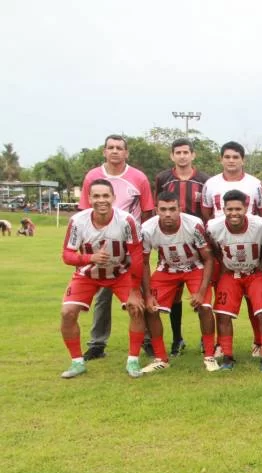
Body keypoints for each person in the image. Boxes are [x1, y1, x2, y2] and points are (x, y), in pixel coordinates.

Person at [76, 135, 154, 361]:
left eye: (119, 148)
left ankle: (146, 341)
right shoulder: (93, 176)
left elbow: (147, 211)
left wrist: (138, 239)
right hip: (100, 246)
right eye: (110, 147)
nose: (115, 151)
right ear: (104, 151)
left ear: (127, 153)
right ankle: (97, 344)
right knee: (102, 295)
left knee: (137, 293)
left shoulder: (138, 177)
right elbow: (83, 211)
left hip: (130, 246)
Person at [59, 179, 146, 379]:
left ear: (113, 198)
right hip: (88, 274)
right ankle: (77, 362)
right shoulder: (78, 221)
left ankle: (133, 360)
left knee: (136, 308)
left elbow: (137, 255)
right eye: (96, 196)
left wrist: (134, 291)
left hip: (120, 272)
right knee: (67, 313)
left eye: (105, 196)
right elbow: (67, 255)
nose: (101, 200)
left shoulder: (126, 220)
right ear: (89, 199)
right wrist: (91, 258)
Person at [201, 141, 262, 358]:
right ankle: (223, 347)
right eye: (227, 156)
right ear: (221, 159)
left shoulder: (255, 185)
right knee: (222, 309)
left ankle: (261, 345)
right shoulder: (210, 185)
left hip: (252, 258)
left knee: (258, 307)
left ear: (243, 159)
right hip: (227, 255)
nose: (231, 160)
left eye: (235, 157)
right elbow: (206, 221)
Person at [140, 191, 218, 374]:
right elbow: (143, 262)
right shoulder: (147, 229)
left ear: (179, 209)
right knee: (150, 308)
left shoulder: (194, 224)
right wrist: (148, 294)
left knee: (205, 307)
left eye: (172, 209)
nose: (168, 214)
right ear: (156, 210)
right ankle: (161, 358)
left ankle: (209, 355)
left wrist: (201, 291)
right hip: (166, 269)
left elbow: (208, 259)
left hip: (194, 267)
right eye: (163, 209)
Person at [153, 137, 211, 357]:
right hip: (169, 243)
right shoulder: (163, 179)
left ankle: (206, 341)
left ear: (193, 155)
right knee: (173, 294)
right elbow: (157, 205)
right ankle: (177, 338)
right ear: (172, 156)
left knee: (201, 296)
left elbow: (207, 210)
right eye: (178, 152)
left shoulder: (205, 179)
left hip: (197, 243)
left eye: (186, 152)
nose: (182, 156)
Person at [206, 190, 262, 371]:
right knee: (223, 314)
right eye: (229, 209)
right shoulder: (213, 226)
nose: (234, 213)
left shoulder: (259, 224)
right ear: (223, 209)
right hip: (231, 273)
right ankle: (227, 356)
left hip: (254, 273)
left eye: (238, 209)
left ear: (246, 208)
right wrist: (222, 262)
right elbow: (211, 246)